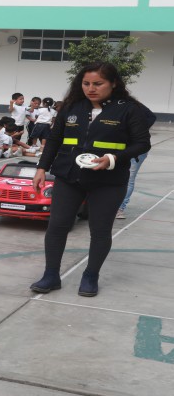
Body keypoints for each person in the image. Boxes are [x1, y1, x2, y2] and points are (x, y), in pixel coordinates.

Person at [30, 62, 152, 297]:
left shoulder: (129, 109)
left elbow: (142, 143)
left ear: (113, 83)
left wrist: (113, 158)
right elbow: (55, 139)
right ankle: (51, 275)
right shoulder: (72, 106)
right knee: (57, 226)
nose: (91, 88)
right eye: (86, 83)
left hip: (109, 180)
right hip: (68, 176)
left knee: (100, 230)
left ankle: (90, 275)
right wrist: (41, 168)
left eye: (98, 83)